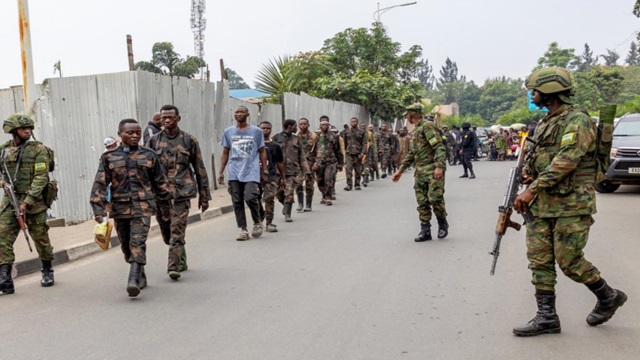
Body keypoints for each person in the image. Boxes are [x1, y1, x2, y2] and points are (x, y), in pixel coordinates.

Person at [512, 67, 627, 336]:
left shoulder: (578, 121)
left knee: (569, 261)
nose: (532, 93)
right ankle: (547, 317)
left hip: (571, 205)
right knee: (539, 260)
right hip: (542, 204)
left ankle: (608, 296)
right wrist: (529, 173)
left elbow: (567, 160)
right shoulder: (545, 122)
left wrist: (532, 189)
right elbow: (540, 157)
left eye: (535, 89)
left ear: (550, 90)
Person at [90, 118, 172, 297]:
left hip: (143, 207)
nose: (135, 136)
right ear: (120, 134)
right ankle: (139, 271)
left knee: (138, 241)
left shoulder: (149, 155)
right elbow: (100, 184)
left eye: (137, 132)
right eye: (130, 132)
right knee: (126, 245)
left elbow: (160, 183)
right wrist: (98, 210)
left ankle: (133, 279)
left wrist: (166, 207)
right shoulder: (109, 157)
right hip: (120, 208)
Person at [147, 105, 211, 280]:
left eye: (170, 117)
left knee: (177, 231)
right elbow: (146, 170)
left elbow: (200, 169)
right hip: (160, 195)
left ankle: (173, 267)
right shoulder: (153, 141)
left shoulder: (189, 140)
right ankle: (181, 257)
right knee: (167, 234)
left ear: (178, 119)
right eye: (163, 118)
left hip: (182, 193)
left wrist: (204, 196)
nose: (167, 120)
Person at [0, 114, 56, 294]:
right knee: (2, 237)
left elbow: (41, 177)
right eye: (24, 128)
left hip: (35, 202)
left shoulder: (39, 150)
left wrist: (28, 201)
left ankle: (47, 269)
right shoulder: (3, 150)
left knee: (40, 237)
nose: (28, 131)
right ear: (13, 131)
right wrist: (2, 183)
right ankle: (5, 278)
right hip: (11, 200)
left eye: (29, 128)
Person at [392, 104, 448, 242]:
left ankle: (442, 223)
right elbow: (412, 153)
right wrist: (400, 170)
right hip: (420, 172)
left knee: (435, 199)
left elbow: (439, 147)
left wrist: (439, 167)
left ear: (412, 115)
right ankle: (425, 230)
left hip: (432, 169)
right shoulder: (416, 130)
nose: (406, 117)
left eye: (407, 115)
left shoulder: (427, 126)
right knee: (422, 201)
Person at [218, 106, 268, 241]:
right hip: (234, 171)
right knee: (237, 201)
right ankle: (243, 229)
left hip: (251, 170)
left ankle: (257, 222)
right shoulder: (228, 132)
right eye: (237, 112)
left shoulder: (256, 132)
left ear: (247, 114)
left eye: (242, 112)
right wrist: (221, 172)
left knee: (251, 197)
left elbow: (262, 151)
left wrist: (264, 169)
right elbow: (225, 152)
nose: (239, 114)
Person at [272, 119, 310, 222]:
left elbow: (301, 156)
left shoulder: (297, 139)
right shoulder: (276, 138)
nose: (296, 128)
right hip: (278, 171)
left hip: (292, 171)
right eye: (295, 126)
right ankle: (285, 204)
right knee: (278, 193)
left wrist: (306, 171)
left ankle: (287, 214)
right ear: (289, 126)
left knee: (289, 192)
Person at [258, 121, 285, 232]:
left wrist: (283, 177)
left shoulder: (275, 146)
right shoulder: (253, 143)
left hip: (270, 176)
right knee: (254, 198)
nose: (265, 130)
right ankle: (260, 216)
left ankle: (269, 223)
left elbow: (279, 162)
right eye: (263, 128)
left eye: (268, 128)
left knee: (269, 198)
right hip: (254, 176)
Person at [313, 120, 343, 205]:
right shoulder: (315, 137)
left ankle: (328, 197)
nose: (324, 126)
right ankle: (324, 195)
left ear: (328, 126)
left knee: (328, 179)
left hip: (330, 162)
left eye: (326, 125)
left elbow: (338, 151)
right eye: (323, 125)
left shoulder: (333, 137)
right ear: (320, 126)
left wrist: (340, 163)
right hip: (319, 162)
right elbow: (312, 151)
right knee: (320, 181)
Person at [295, 118, 317, 212]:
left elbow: (319, 150)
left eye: (304, 124)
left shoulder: (314, 136)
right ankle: (300, 203)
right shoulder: (295, 137)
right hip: (298, 165)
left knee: (309, 184)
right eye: (301, 124)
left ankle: (308, 204)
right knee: (298, 183)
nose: (303, 125)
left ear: (308, 125)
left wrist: (317, 163)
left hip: (310, 164)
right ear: (298, 125)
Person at [341, 117, 368, 190]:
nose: (353, 123)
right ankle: (349, 185)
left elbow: (364, 143)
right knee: (348, 170)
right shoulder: (347, 132)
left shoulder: (362, 132)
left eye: (355, 121)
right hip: (349, 154)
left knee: (358, 170)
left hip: (358, 154)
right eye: (352, 121)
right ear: (350, 123)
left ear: (357, 122)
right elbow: (345, 142)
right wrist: (346, 151)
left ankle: (357, 184)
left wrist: (363, 153)